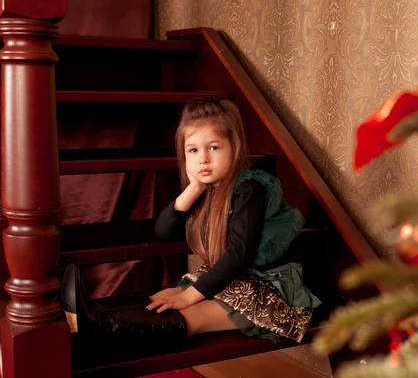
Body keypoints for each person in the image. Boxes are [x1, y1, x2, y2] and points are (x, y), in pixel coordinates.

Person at [61, 97, 320, 344]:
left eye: (214, 147)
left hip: (268, 290)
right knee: (161, 298)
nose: (203, 158)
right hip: (236, 279)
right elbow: (163, 231)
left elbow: (238, 254)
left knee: (189, 315)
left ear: (235, 147)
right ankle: (89, 314)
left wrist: (188, 299)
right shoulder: (207, 189)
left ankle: (97, 331)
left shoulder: (250, 188)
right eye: (193, 150)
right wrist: (193, 188)